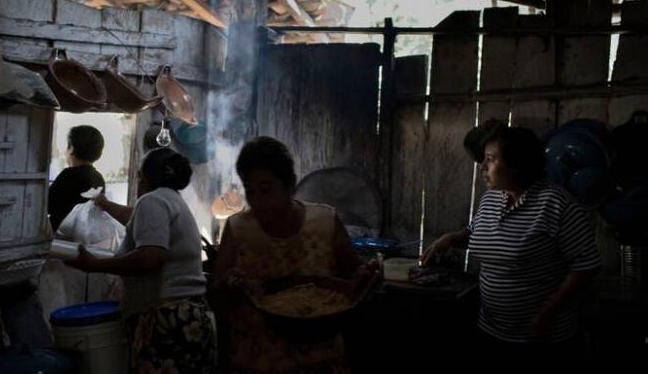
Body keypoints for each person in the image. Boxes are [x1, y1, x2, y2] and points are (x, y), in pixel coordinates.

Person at [421, 125, 601, 366]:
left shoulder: (556, 204)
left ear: (518, 163)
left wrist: (547, 312)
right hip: (492, 330)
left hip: (542, 337)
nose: (482, 167)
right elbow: (477, 232)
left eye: (491, 160)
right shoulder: (492, 198)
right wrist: (452, 238)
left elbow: (586, 265)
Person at [210, 136, 377, 374]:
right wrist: (228, 284)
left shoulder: (324, 222)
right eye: (250, 190)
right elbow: (215, 298)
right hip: (257, 363)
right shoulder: (239, 229)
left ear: (290, 185)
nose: (257, 201)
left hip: (321, 362)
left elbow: (354, 279)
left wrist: (366, 274)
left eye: (266, 190)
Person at [66, 147, 216, 374]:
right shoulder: (171, 200)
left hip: (165, 320)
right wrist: (104, 204)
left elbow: (151, 256)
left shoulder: (152, 201)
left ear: (145, 176)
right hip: (190, 319)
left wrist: (95, 265)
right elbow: (138, 220)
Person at [48, 125, 105, 232]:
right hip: (86, 238)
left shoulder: (69, 175)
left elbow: (46, 206)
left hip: (61, 239)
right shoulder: (99, 178)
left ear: (72, 148)